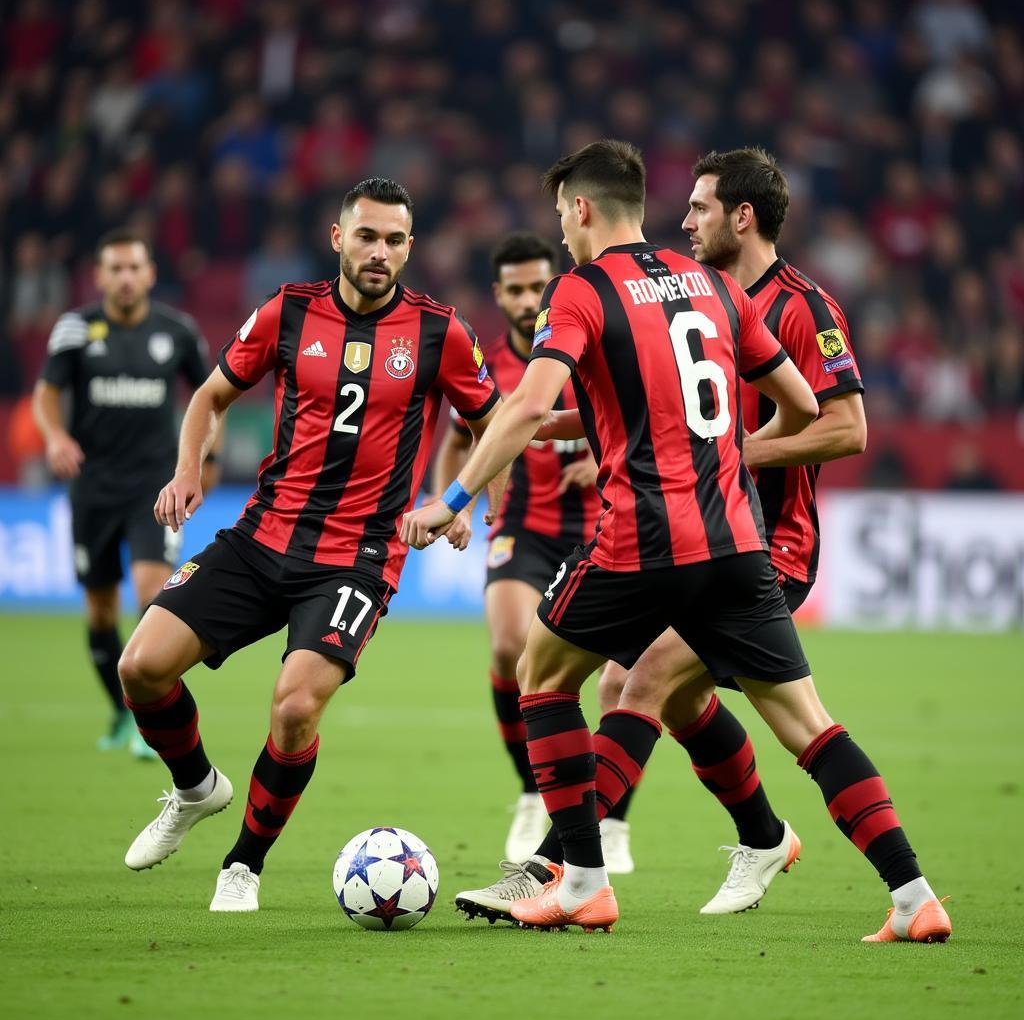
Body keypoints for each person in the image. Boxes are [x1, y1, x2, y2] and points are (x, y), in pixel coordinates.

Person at [402, 140, 951, 944]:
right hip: (737, 542)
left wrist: (449, 497)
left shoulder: (583, 290)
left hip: (648, 542)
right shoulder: (713, 290)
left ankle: (579, 877)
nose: (559, 230)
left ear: (582, 209)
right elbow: (795, 403)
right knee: (803, 723)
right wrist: (708, 450)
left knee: (545, 675)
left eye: (561, 213)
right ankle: (912, 895)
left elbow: (525, 407)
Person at [116, 177, 500, 912]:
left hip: (357, 558)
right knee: (141, 667)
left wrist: (458, 498)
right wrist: (188, 469)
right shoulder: (289, 311)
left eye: (394, 240)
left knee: (294, 710)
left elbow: (495, 422)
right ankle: (196, 789)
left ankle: (244, 864)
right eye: (367, 236)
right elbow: (209, 396)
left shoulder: (438, 331)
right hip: (262, 537)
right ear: (338, 237)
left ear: (410, 248)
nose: (380, 251)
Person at [589, 146, 870, 914]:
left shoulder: (805, 308)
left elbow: (847, 428)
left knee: (635, 678)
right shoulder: (698, 299)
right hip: (704, 545)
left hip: (771, 548)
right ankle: (765, 836)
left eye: (701, 207)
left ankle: (570, 866)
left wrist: (740, 450)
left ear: (743, 217)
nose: (682, 220)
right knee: (668, 695)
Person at [433, 231, 604, 866]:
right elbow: (456, 439)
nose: (531, 299)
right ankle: (533, 789)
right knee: (509, 647)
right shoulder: (486, 366)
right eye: (518, 289)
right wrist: (456, 500)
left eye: (540, 285)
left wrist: (602, 457)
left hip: (598, 528)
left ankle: (608, 822)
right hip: (521, 528)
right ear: (498, 295)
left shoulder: (589, 343)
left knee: (621, 679)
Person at [33, 228, 215, 759]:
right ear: (100, 275)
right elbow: (46, 395)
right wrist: (56, 436)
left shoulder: (177, 332)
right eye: (116, 268)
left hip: (154, 488)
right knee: (100, 612)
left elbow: (210, 397)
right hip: (93, 488)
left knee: (151, 593)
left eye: (135, 267)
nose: (126, 277)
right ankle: (119, 711)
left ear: (151, 273)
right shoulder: (75, 330)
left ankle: (146, 719)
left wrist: (201, 461)